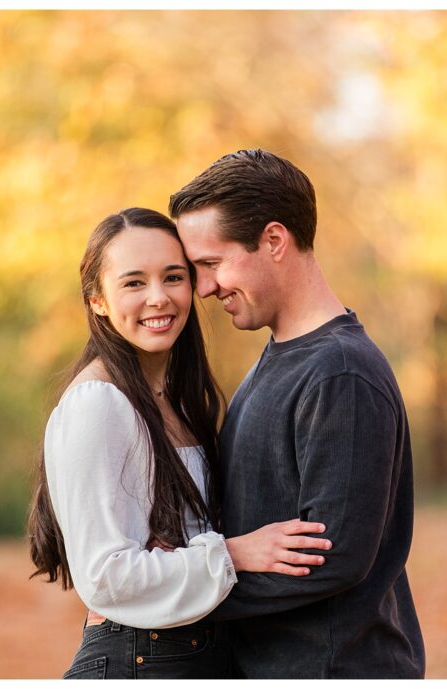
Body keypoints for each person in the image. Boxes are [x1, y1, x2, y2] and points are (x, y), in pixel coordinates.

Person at [26, 207, 332, 680]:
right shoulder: (97, 402)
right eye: (133, 283)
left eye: (173, 277)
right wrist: (234, 552)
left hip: (193, 657)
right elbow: (106, 578)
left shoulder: (181, 399)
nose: (158, 298)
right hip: (139, 661)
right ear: (97, 301)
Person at [169, 149, 426, 679]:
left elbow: (332, 555)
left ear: (274, 241)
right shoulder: (281, 357)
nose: (204, 288)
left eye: (212, 264)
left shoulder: (340, 373)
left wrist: (178, 599)